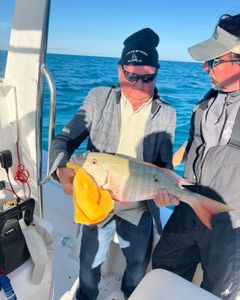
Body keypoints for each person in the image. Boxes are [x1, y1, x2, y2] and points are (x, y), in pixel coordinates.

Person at [49, 28, 176, 300]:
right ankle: (85, 295)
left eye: (148, 78)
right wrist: (61, 171)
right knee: (89, 262)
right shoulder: (98, 98)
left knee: (138, 264)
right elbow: (64, 140)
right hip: (97, 195)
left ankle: (132, 295)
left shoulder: (167, 113)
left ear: (157, 73)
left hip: (138, 203)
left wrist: (167, 190)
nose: (139, 85)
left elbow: (164, 165)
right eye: (131, 76)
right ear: (120, 71)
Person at [152, 13, 240, 300]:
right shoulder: (204, 105)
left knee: (218, 292)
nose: (204, 67)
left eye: (214, 60)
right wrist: (163, 177)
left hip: (231, 226)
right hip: (188, 209)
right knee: (164, 269)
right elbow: (192, 147)